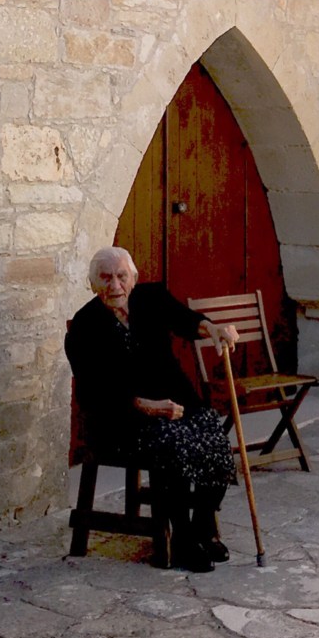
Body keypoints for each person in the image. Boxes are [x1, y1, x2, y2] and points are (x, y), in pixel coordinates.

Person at [65, 246, 239, 573]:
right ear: (92, 284)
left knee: (214, 435)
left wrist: (214, 329)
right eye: (105, 278)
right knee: (173, 445)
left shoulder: (151, 298)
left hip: (174, 403)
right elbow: (94, 393)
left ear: (134, 278)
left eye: (121, 276)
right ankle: (182, 537)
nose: (115, 285)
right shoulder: (85, 327)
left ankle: (203, 525)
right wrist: (146, 407)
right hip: (121, 419)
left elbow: (186, 321)